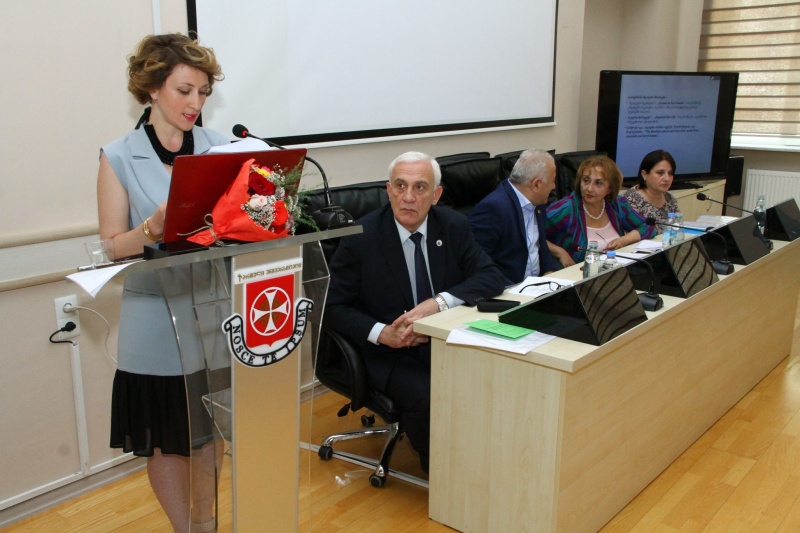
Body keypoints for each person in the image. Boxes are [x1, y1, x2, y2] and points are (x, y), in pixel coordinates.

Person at [97, 34, 228, 533]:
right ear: (152, 88)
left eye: (203, 92)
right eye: (184, 90)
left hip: (212, 312)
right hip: (154, 320)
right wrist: (153, 228)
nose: (195, 103)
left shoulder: (221, 147)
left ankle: (206, 523)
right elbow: (112, 246)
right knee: (166, 440)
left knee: (210, 432)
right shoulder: (118, 156)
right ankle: (185, 529)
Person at [324, 151, 505, 472]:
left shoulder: (453, 226)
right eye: (400, 186)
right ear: (388, 190)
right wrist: (383, 333)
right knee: (429, 393)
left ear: (436, 194)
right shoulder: (361, 236)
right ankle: (443, 472)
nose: (408, 197)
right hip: (385, 352)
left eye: (420, 187)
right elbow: (333, 307)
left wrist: (439, 303)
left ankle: (486, 455)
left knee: (492, 373)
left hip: (442, 339)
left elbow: (491, 276)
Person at [469, 149, 570, 285]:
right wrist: (518, 290)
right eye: (552, 181)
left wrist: (550, 272)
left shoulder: (538, 202)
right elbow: (476, 263)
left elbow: (540, 246)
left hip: (540, 286)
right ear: (536, 184)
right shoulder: (493, 209)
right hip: (508, 290)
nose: (554, 186)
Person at [546, 155, 656, 263]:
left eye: (598, 183)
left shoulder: (617, 204)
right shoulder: (566, 208)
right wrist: (560, 253)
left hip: (616, 270)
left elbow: (648, 226)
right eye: (586, 180)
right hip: (577, 272)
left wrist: (624, 240)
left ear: (610, 188)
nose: (589, 188)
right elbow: (536, 235)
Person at [623, 149, 680, 234]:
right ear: (644, 174)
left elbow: (678, 231)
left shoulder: (670, 199)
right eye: (660, 173)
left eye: (670, 173)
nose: (667, 178)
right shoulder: (630, 199)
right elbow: (634, 235)